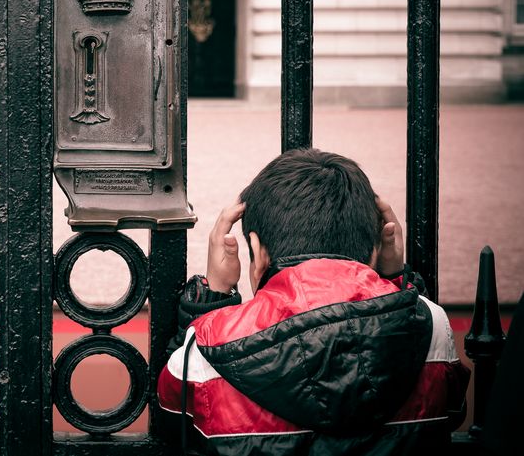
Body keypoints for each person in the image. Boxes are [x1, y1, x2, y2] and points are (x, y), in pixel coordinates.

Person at [157, 148, 469, 455]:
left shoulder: (208, 348)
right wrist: (397, 280)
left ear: (256, 248)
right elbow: (451, 413)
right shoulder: (434, 325)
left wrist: (214, 297)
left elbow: (172, 424)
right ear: (378, 246)